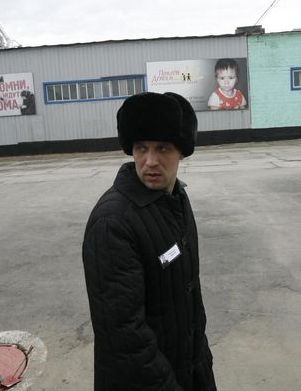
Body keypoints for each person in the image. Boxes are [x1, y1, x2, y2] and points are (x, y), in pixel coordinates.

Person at [83, 92, 217, 391]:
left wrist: (202, 361)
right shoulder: (113, 222)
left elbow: (188, 297)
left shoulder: (176, 200)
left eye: (163, 148)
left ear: (181, 151)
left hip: (189, 371)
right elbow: (124, 335)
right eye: (141, 148)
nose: (150, 161)